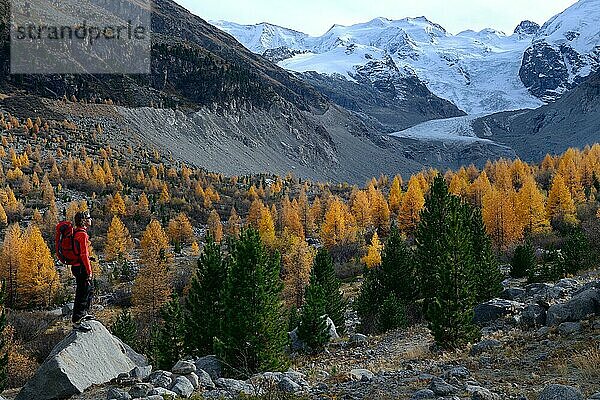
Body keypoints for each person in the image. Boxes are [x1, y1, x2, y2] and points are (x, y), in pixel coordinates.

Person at [71, 211, 95, 332]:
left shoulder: (77, 232)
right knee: (83, 293)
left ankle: (83, 314)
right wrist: (89, 270)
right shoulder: (82, 234)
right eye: (89, 217)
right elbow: (83, 254)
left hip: (77, 266)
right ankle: (77, 321)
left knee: (88, 290)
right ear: (84, 220)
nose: (91, 219)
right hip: (81, 267)